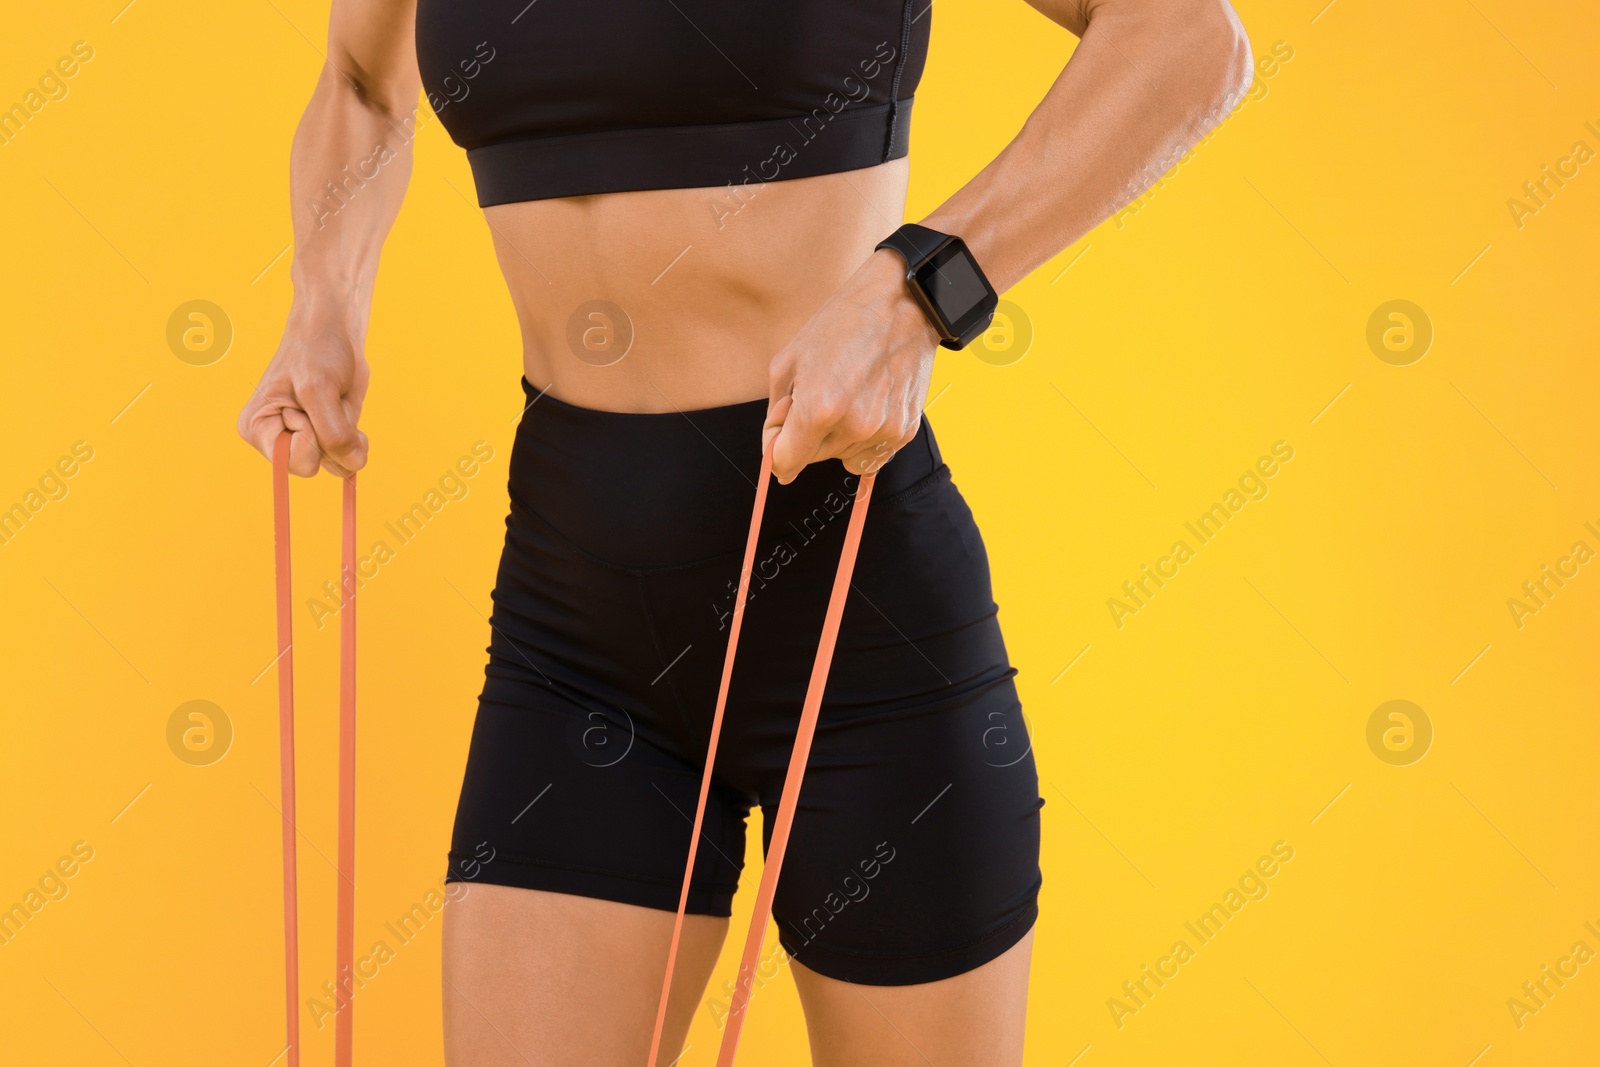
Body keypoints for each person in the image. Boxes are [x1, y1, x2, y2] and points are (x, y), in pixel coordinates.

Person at [238, 1, 1251, 1063]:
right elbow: (358, 82)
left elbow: (1187, 39)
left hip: (856, 626)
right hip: (574, 627)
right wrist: (324, 308)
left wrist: (925, 286)